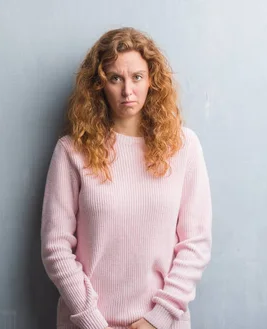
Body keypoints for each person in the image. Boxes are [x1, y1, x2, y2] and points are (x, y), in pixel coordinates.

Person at [40, 27, 212, 329]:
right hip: (87, 324)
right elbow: (56, 247)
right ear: (98, 85)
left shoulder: (184, 147)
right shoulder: (72, 151)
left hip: (162, 325)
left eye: (137, 77)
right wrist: (93, 322)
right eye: (115, 78)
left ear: (152, 80)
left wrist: (157, 318)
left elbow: (195, 244)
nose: (127, 91)